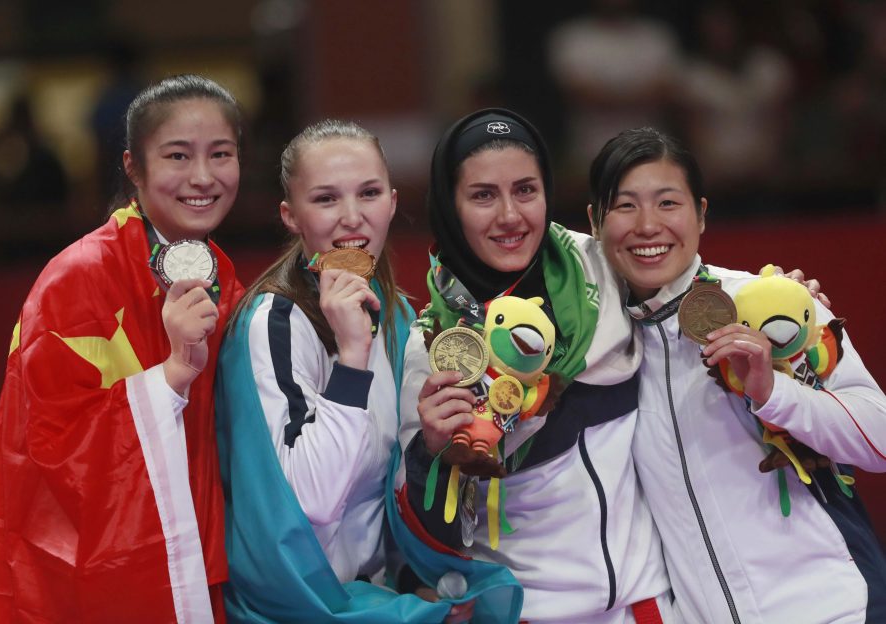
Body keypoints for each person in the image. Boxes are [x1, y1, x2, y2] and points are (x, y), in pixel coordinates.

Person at [0, 74, 244, 623]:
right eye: (178, 156)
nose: (203, 177)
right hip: (90, 582)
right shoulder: (78, 277)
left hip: (203, 564)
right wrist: (170, 377)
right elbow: (46, 447)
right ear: (133, 168)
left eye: (222, 154)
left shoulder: (223, 278)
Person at [214, 120, 521, 623]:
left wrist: (413, 581)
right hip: (297, 607)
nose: (352, 219)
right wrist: (352, 357)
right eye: (326, 199)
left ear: (394, 202)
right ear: (291, 216)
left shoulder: (399, 316)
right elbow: (307, 504)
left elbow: (385, 490)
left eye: (369, 193)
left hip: (374, 597)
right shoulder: (275, 321)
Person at [587, 126, 886, 623]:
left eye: (667, 203)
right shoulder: (599, 348)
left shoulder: (775, 304)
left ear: (701, 214)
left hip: (836, 611)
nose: (647, 226)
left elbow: (879, 438)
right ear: (596, 222)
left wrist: (774, 393)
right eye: (624, 206)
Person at [395, 108, 674, 623]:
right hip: (529, 611)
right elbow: (437, 538)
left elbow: (693, 287)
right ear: (450, 206)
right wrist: (433, 453)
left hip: (647, 605)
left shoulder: (603, 268)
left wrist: (780, 297)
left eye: (526, 190)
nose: (510, 216)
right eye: (483, 195)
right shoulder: (435, 345)